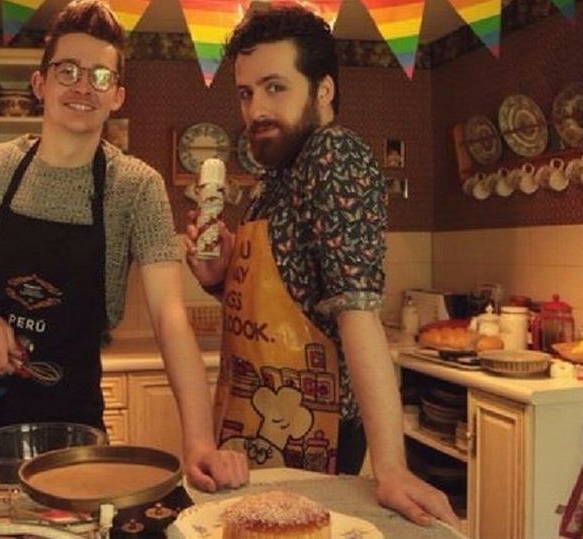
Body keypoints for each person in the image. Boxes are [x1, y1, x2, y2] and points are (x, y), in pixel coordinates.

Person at [0, 0, 248, 493]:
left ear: (118, 96)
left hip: (77, 428)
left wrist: (198, 444)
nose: (84, 86)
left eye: (101, 76)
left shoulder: (136, 186)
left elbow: (170, 317)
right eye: (68, 70)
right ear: (41, 84)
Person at [185, 4, 460, 526]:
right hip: (259, 417)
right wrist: (221, 282)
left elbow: (356, 312)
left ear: (324, 90)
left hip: (314, 427)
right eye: (246, 93)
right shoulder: (276, 176)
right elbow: (292, 303)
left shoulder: (332, 155)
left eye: (275, 87)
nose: (255, 109)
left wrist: (391, 468)